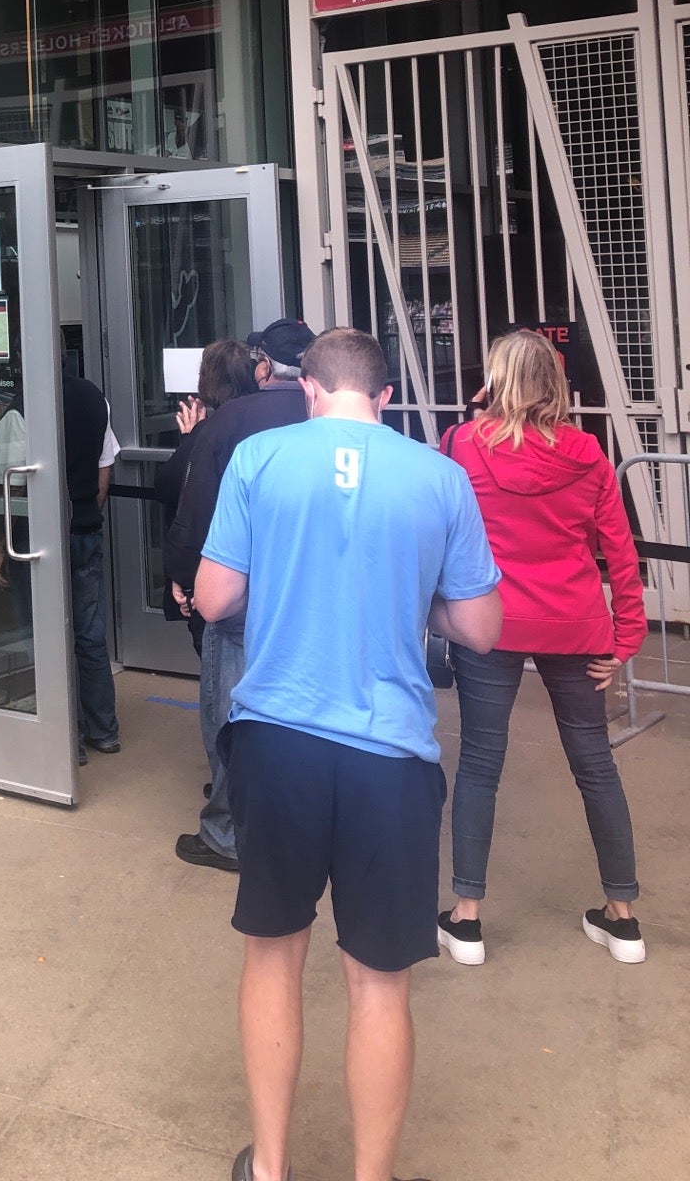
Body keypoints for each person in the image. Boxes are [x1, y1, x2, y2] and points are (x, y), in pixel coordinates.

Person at [196, 328, 502, 1181]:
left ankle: (272, 1168)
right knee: (378, 983)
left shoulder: (260, 458)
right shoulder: (440, 476)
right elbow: (481, 627)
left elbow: (218, 595)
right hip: (390, 760)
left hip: (278, 742)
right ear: (387, 400)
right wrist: (423, 604)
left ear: (308, 390)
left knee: (273, 954)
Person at [436, 329, 648, 967]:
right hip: (576, 625)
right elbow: (620, 553)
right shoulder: (588, 455)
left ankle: (467, 921)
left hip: (490, 622)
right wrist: (628, 635)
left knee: (479, 762)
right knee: (596, 765)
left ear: (493, 381)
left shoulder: (460, 446)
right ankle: (623, 919)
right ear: (559, 385)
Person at [174, 319, 314, 870]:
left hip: (239, 593)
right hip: (308, 592)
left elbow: (199, 511)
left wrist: (185, 579)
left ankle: (227, 833)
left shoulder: (231, 420)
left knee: (229, 711)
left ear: (263, 366)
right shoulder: (332, 420)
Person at [0, 365, 121, 765]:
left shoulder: (20, 408)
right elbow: (105, 467)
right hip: (84, 531)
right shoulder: (92, 396)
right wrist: (84, 513)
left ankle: (67, 739)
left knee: (44, 636)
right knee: (89, 635)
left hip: (38, 538)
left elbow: (10, 484)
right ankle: (103, 731)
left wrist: (0, 542)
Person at [155, 338, 260, 655]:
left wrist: (190, 439)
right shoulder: (267, 424)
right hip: (264, 573)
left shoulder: (211, 432)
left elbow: (173, 490)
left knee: (221, 679)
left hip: (218, 577)